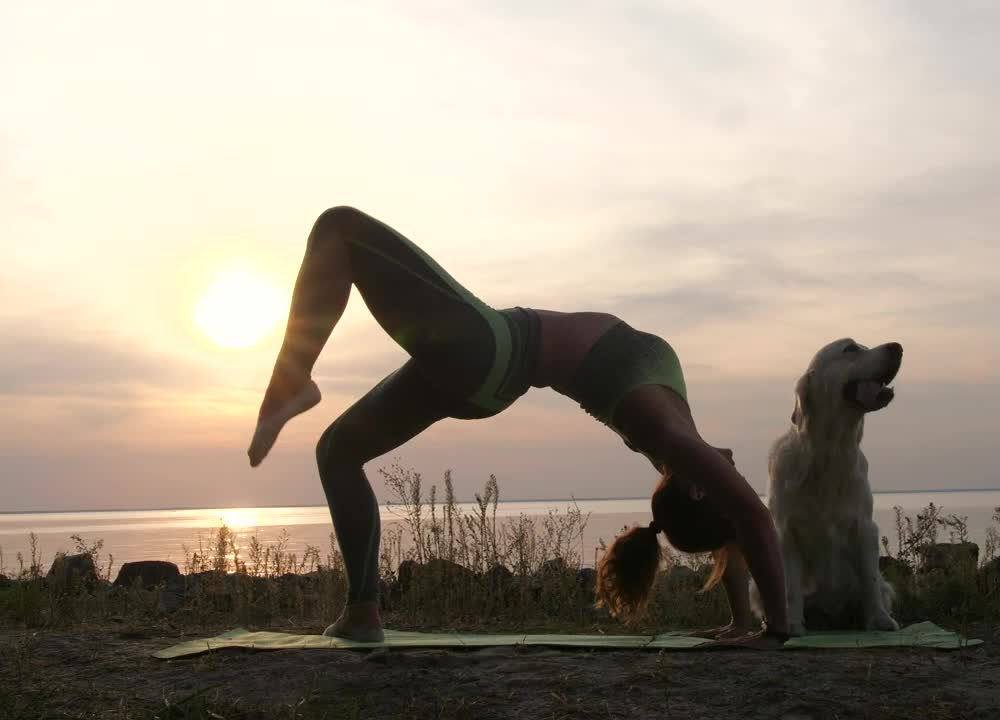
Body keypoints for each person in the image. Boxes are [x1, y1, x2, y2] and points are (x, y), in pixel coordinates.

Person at [248, 206, 790, 648]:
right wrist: (743, 621)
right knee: (337, 453)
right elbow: (732, 529)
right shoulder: (680, 443)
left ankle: (291, 377)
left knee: (339, 228)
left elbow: (751, 517)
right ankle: (362, 613)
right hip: (481, 380)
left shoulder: (667, 436)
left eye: (720, 477)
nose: (733, 471)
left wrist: (777, 628)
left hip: (493, 351)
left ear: (700, 485)